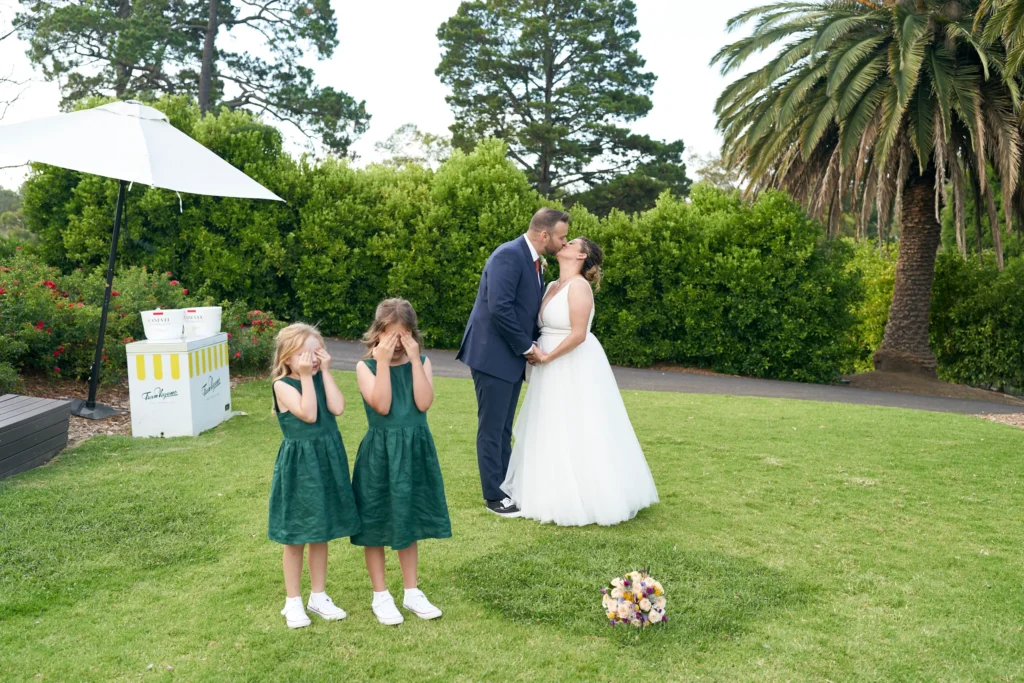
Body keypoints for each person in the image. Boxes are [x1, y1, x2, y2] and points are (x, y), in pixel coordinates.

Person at [501, 238, 659, 526]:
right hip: (547, 360)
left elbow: (578, 334)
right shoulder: (551, 286)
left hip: (571, 361)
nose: (563, 242)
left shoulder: (579, 287)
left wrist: (548, 358)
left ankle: (589, 497)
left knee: (578, 423)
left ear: (581, 255)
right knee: (549, 423)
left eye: (570, 242)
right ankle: (548, 492)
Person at [456, 208, 569, 517]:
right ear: (544, 235)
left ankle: (506, 486)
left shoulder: (534, 261)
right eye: (562, 237)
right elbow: (500, 308)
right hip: (492, 355)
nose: (564, 243)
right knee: (492, 428)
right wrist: (527, 348)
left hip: (509, 357)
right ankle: (494, 497)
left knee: (504, 427)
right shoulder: (508, 255)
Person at [352, 299, 452, 625]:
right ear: (378, 334)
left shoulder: (420, 361)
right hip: (380, 453)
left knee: (408, 517)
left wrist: (412, 359)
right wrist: (382, 362)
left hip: (414, 450)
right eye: (391, 336)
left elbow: (423, 402)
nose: (397, 343)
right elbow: (381, 404)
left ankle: (411, 592)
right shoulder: (365, 367)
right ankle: (381, 595)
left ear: (412, 334)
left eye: (404, 336)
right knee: (377, 520)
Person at [268, 323, 360, 628]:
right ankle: (292, 601)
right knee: (296, 535)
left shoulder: (319, 377)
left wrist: (326, 372)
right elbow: (308, 413)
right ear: (288, 356)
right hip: (300, 465)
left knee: (320, 531)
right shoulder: (283, 385)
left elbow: (337, 407)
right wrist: (307, 377)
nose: (313, 359)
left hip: (326, 459)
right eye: (305, 353)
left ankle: (318, 596)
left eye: (317, 352)